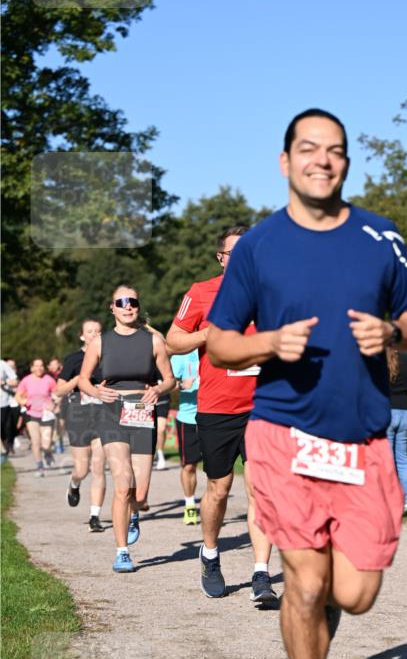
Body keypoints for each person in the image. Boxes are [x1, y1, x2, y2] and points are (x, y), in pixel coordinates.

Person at [206, 108, 407, 659]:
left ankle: (315, 618)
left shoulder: (379, 238)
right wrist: (267, 343)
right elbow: (218, 344)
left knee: (353, 594)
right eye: (308, 149)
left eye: (334, 151)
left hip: (361, 439)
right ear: (285, 162)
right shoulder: (258, 248)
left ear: (346, 163)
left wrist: (390, 335)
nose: (321, 160)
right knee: (303, 583)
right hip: (282, 433)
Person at [166, 227, 276, 606]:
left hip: (264, 407)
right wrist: (206, 335)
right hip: (217, 407)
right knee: (220, 488)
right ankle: (210, 554)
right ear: (222, 258)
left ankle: (261, 573)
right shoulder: (201, 292)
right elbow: (173, 340)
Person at [78, 285, 175, 573]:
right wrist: (96, 392)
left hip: (143, 413)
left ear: (137, 306)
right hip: (111, 412)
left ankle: (134, 514)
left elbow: (170, 379)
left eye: (132, 301)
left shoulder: (154, 341)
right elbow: (83, 379)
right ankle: (122, 552)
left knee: (140, 494)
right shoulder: (100, 343)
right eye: (121, 302)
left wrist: (158, 388)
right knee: (123, 484)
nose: (127, 306)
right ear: (112, 308)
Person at [56, 319, 107, 532]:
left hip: (103, 414)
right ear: (82, 336)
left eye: (97, 331)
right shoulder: (74, 359)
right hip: (78, 415)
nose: (94, 334)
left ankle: (95, 516)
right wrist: (78, 380)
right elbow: (59, 390)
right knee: (82, 469)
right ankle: (74, 483)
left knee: (99, 467)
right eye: (89, 331)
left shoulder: (109, 358)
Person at [170, 348, 201, 525]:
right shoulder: (182, 355)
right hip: (188, 418)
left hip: (214, 416)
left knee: (217, 470)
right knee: (189, 466)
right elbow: (167, 383)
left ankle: (216, 505)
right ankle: (190, 504)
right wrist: (182, 384)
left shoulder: (217, 348)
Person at [15, 359, 57, 476]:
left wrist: (53, 403)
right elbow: (18, 396)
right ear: (32, 368)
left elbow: (57, 394)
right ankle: (40, 467)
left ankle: (47, 453)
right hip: (31, 413)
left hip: (46, 415)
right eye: (36, 366)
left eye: (41, 366)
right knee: (35, 442)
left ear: (44, 367)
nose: (39, 368)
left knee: (46, 443)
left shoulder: (49, 380)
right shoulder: (26, 380)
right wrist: (22, 401)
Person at [386, 347, 407, 514]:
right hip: (406, 410)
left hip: (387, 410)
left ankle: (390, 499)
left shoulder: (382, 358)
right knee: (402, 459)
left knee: (387, 460)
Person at [0, 358, 19, 464]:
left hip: (3, 402)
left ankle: (5, 450)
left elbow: (15, 380)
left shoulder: (2, 364)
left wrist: (4, 382)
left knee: (4, 429)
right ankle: (2, 451)